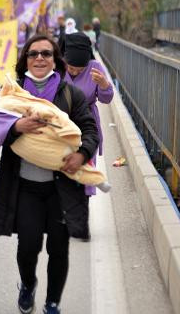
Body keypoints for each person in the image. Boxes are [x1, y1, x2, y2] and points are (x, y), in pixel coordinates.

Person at [0, 34, 98, 314]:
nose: (39, 58)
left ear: (55, 60)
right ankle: (27, 284)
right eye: (33, 53)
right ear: (25, 59)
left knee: (59, 249)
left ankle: (52, 303)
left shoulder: (71, 94)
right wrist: (15, 129)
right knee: (28, 246)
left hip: (62, 187)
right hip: (24, 186)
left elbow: (90, 129)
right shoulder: (9, 94)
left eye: (46, 54)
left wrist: (82, 154)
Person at [63, 32, 114, 241]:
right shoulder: (56, 67)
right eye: (71, 67)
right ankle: (65, 216)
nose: (74, 71)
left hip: (86, 125)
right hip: (62, 126)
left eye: (78, 69)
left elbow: (107, 98)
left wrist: (103, 85)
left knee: (83, 172)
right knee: (64, 170)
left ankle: (80, 221)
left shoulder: (95, 68)